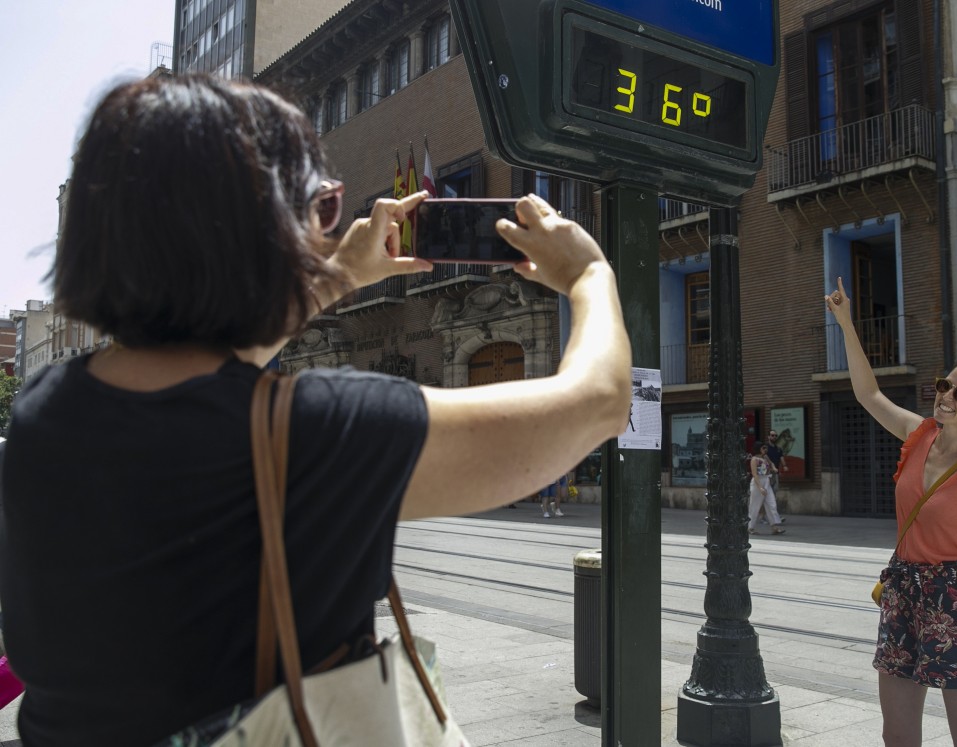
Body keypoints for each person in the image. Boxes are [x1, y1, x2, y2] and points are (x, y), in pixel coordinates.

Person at [0, 75, 631, 746]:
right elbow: (595, 403)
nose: (324, 229)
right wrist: (590, 277)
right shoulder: (320, 434)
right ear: (261, 229)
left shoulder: (46, 411)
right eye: (322, 208)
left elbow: (217, 360)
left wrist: (339, 275)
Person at [825, 278, 957, 747]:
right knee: (898, 734)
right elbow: (869, 395)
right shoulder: (919, 436)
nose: (945, 397)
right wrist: (846, 324)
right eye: (944, 386)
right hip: (904, 590)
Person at [747, 443, 785, 535]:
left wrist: (774, 468)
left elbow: (771, 463)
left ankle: (774, 527)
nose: (765, 449)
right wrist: (760, 487)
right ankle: (750, 527)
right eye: (763, 448)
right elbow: (755, 474)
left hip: (766, 481)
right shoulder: (754, 459)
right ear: (758, 449)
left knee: (772, 504)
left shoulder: (765, 457)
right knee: (754, 506)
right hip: (757, 483)